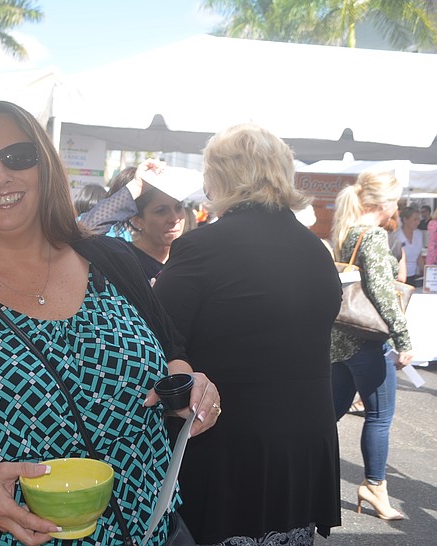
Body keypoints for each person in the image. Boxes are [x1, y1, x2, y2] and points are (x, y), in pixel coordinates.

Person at [0, 100, 221, 546]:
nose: (0, 175)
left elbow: (172, 354)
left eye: (18, 156)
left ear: (44, 168)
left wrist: (191, 389)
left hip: (156, 530)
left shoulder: (114, 261)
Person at [153, 123, 342, 545]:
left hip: (228, 446)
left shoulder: (203, 247)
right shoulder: (315, 249)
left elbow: (155, 335)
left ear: (220, 176)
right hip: (302, 442)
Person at [329, 169, 415, 521]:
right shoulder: (374, 235)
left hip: (340, 340)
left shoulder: (346, 231)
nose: (398, 206)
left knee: (328, 414)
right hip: (367, 340)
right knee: (379, 416)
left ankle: (298, 468)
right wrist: (403, 339)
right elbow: (382, 291)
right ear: (385, 202)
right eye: (397, 200)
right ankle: (375, 487)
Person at [78, 160, 202, 284]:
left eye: (178, 207)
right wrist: (136, 187)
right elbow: (85, 230)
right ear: (136, 220)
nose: (174, 219)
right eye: (161, 211)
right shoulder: (122, 258)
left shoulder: (190, 259)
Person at [394, 207, 425, 284]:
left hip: (414, 275)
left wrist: (425, 271)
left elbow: (419, 256)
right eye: (415, 219)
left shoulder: (419, 234)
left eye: (418, 219)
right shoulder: (396, 236)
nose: (418, 222)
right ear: (405, 220)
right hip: (398, 277)